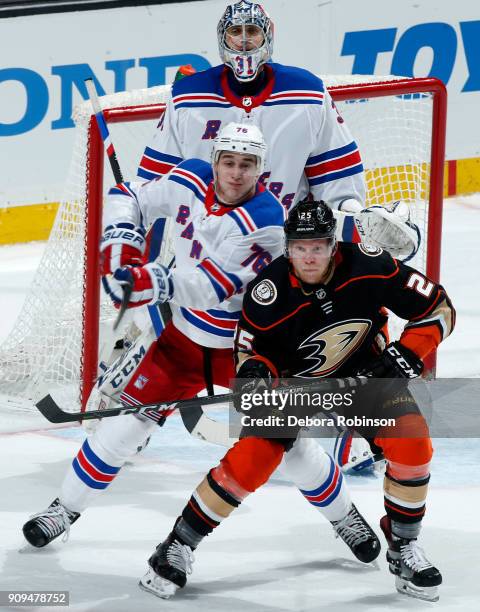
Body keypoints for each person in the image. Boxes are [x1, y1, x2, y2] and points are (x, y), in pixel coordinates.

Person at [22, 125, 378, 568]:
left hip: (247, 350)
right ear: (214, 162)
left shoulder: (265, 219)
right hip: (185, 342)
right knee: (125, 428)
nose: (235, 173)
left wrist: (149, 281)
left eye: (246, 165)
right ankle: (63, 509)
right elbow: (130, 192)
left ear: (260, 169)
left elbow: (210, 286)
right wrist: (120, 243)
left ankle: (345, 517)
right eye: (228, 161)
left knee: (289, 446)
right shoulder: (188, 178)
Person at [134, 0, 418, 470]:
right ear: (221, 39)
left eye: (252, 32)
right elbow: (152, 185)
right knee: (182, 332)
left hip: (285, 254)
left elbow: (338, 184)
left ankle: (357, 430)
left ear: (268, 35)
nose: (244, 42)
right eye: (235, 33)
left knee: (350, 318)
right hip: (211, 248)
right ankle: (142, 410)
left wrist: (354, 224)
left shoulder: (306, 94)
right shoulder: (188, 97)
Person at [143, 199, 455, 603]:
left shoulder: (370, 266)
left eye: (319, 246)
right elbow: (250, 356)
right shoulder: (266, 294)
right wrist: (256, 374)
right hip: (296, 388)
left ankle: (404, 546)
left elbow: (438, 307)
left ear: (333, 245)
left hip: (367, 378)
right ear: (288, 247)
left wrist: (409, 353)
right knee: (253, 457)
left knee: (413, 442)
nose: (309, 257)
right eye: (300, 247)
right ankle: (177, 544)